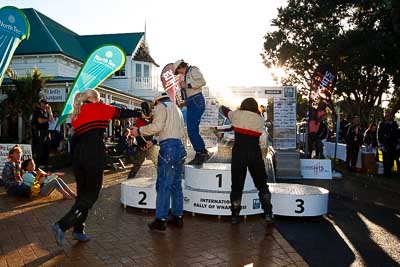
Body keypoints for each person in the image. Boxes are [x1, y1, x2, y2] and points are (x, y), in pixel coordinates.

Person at [52, 89, 142, 246]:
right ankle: (62, 225)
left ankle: (79, 230)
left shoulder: (77, 113)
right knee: (91, 195)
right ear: (94, 99)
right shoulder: (99, 108)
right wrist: (141, 114)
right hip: (92, 153)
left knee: (83, 195)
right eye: (99, 99)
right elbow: (122, 112)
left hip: (78, 154)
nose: (101, 102)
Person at [131, 93, 186, 231]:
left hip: (168, 149)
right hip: (179, 147)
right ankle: (177, 217)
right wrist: (154, 141)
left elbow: (157, 126)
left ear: (157, 101)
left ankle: (160, 220)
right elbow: (171, 131)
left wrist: (139, 131)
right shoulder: (176, 108)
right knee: (176, 185)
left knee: (163, 185)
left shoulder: (162, 106)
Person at [220, 98, 273, 225]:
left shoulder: (237, 115)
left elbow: (223, 109)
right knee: (262, 185)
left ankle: (234, 215)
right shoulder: (260, 119)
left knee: (237, 186)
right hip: (255, 153)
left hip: (239, 153)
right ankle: (268, 213)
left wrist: (222, 103)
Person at [173, 59, 210, 165]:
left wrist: (187, 85)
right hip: (192, 101)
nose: (179, 73)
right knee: (191, 129)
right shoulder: (186, 75)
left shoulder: (193, 70)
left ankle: (202, 152)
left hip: (197, 100)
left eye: (178, 71)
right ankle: (200, 152)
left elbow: (202, 82)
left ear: (181, 67)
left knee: (192, 129)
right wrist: (183, 103)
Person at [128, 101, 159, 179]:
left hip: (151, 141)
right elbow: (136, 133)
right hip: (142, 141)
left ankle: (162, 177)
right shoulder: (139, 120)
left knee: (156, 161)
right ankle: (130, 178)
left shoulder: (153, 116)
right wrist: (142, 144)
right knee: (138, 162)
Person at [31, 99, 54, 169]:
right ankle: (39, 163)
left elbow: (52, 119)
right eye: (44, 103)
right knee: (40, 147)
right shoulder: (37, 111)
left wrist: (50, 111)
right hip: (39, 131)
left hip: (46, 131)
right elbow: (40, 121)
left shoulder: (45, 111)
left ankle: (45, 163)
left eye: (46, 104)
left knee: (47, 147)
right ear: (40, 103)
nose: (46, 105)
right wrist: (48, 119)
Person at [378, 110, 399, 177]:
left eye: (389, 114)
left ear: (391, 116)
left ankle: (390, 172)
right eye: (386, 114)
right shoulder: (382, 124)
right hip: (385, 144)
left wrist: (398, 143)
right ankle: (386, 173)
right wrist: (381, 144)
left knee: (392, 159)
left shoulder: (394, 124)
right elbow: (379, 135)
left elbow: (397, 134)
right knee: (386, 160)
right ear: (385, 115)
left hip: (393, 144)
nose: (388, 116)